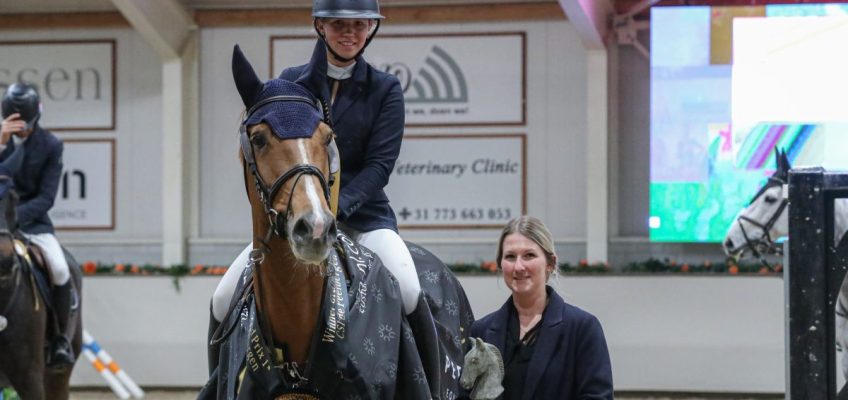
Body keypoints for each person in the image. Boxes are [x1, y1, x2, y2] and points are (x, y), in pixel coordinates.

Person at [207, 0, 423, 373]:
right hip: (294, 219)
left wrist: (331, 208)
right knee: (223, 297)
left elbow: (379, 166)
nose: (350, 34)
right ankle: (217, 387)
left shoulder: (384, 89)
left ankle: (424, 387)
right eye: (339, 24)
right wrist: (304, 207)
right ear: (320, 26)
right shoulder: (291, 81)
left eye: (359, 25)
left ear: (371, 29)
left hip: (365, 220)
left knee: (408, 288)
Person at [469, 216, 613, 399]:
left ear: (550, 263)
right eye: (510, 257)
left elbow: (597, 396)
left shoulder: (582, 328)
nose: (519, 266)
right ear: (500, 264)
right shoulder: (481, 331)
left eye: (529, 255)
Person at [0, 82, 74, 369]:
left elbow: (46, 198)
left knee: (60, 268)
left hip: (32, 224)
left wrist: (12, 218)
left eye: (24, 125)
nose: (20, 130)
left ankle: (59, 340)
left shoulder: (51, 146)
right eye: (14, 124)